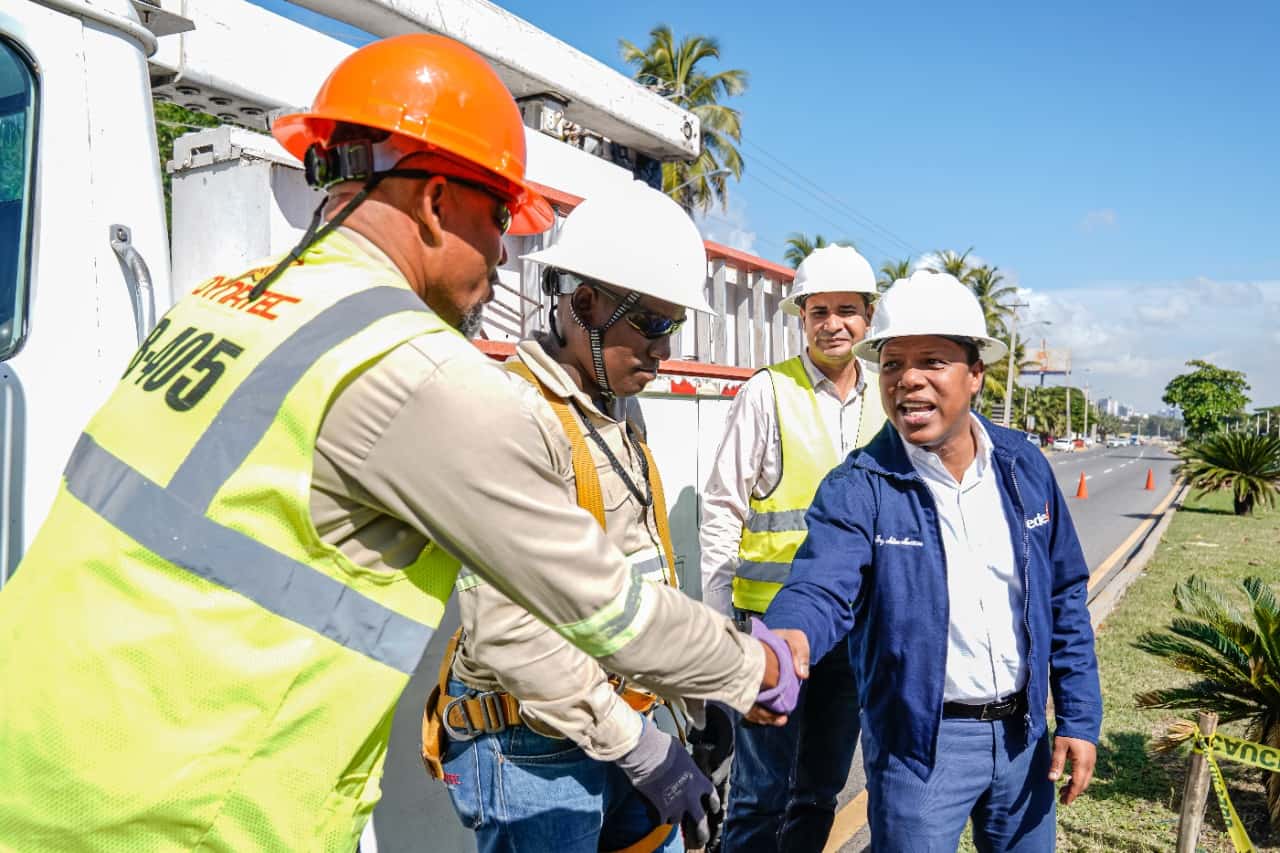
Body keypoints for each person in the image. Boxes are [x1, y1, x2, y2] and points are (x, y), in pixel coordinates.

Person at [0, 35, 802, 852]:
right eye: (497, 221)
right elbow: (609, 611)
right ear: (434, 202)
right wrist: (755, 672)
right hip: (179, 816)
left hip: (41, 768)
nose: (502, 254)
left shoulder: (218, 304)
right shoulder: (421, 372)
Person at [423, 180, 718, 852]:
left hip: (623, 724)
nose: (662, 349)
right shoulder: (514, 418)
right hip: (535, 752)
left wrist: (691, 706)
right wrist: (644, 749)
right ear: (583, 304)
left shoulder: (617, 408)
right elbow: (508, 633)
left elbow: (635, 578)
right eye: (651, 323)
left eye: (673, 326)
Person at [764, 271, 1102, 852]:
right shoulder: (859, 488)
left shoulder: (1024, 467)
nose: (908, 381)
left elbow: (1064, 595)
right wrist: (787, 635)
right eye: (892, 365)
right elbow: (821, 585)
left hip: (1025, 740)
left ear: (975, 375)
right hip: (919, 751)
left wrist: (1077, 717)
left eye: (932, 362)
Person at [699, 246, 886, 852]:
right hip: (771, 627)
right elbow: (723, 504)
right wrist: (717, 616)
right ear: (801, 317)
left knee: (820, 790)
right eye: (819, 311)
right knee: (759, 791)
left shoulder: (887, 398)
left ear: (868, 317)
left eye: (848, 311)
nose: (833, 324)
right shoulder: (766, 392)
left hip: (854, 630)